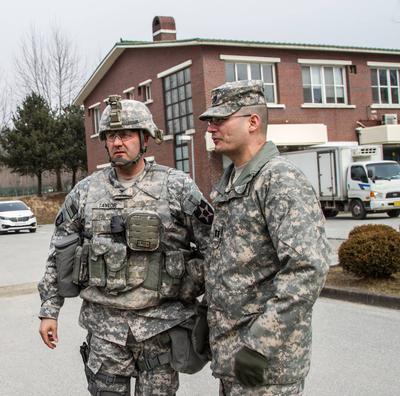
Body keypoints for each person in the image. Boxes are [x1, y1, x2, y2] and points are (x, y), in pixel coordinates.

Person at [38, 95, 213, 396]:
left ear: (145, 138)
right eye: (111, 136)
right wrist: (48, 311)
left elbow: (215, 247)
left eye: (127, 134)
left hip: (160, 328)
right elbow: (60, 252)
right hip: (105, 331)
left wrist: (217, 312)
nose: (118, 142)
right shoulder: (85, 192)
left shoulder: (177, 187)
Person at [199, 80, 332, 396]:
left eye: (220, 120)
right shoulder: (233, 182)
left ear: (253, 122)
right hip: (234, 357)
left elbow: (307, 268)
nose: (211, 128)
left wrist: (260, 344)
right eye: (210, 121)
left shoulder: (279, 180)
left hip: (267, 365)